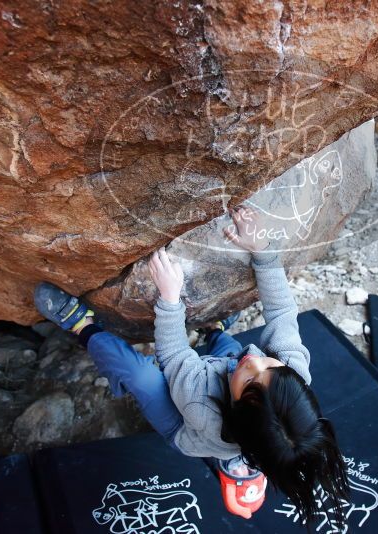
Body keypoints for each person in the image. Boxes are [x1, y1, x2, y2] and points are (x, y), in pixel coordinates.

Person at [33, 206, 350, 527]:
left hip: (182, 423)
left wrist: (170, 301)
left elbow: (175, 358)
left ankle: (83, 327)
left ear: (236, 406)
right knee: (231, 356)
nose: (255, 361)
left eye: (250, 379)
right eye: (270, 366)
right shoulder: (291, 371)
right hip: (225, 391)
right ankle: (214, 330)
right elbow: (281, 310)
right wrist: (262, 250)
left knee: (143, 376)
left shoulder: (203, 409)